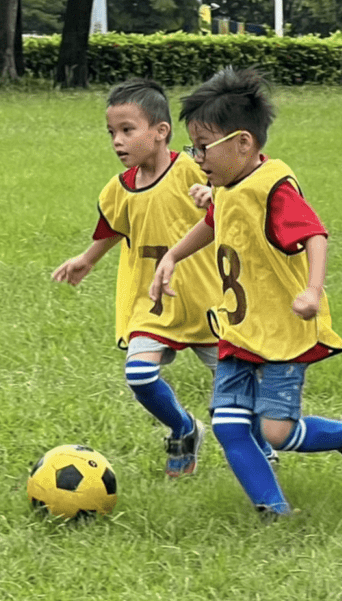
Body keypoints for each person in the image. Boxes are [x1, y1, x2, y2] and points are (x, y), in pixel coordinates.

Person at [148, 68, 342, 520]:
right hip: (240, 330)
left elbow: (316, 235)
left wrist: (313, 291)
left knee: (276, 431)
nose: (196, 157)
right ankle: (273, 512)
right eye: (192, 147)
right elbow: (215, 222)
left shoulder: (273, 188)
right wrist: (172, 256)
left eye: (203, 147)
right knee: (229, 425)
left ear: (242, 143)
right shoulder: (229, 184)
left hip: (282, 330)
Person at [52, 78, 224, 477]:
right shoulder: (118, 189)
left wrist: (214, 195)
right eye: (112, 132)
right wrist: (87, 259)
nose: (117, 141)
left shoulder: (192, 170)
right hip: (153, 302)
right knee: (140, 374)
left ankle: (259, 447)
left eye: (127, 130)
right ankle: (183, 428)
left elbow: (235, 198)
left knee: (235, 394)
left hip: (209, 302)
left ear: (161, 132)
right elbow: (114, 224)